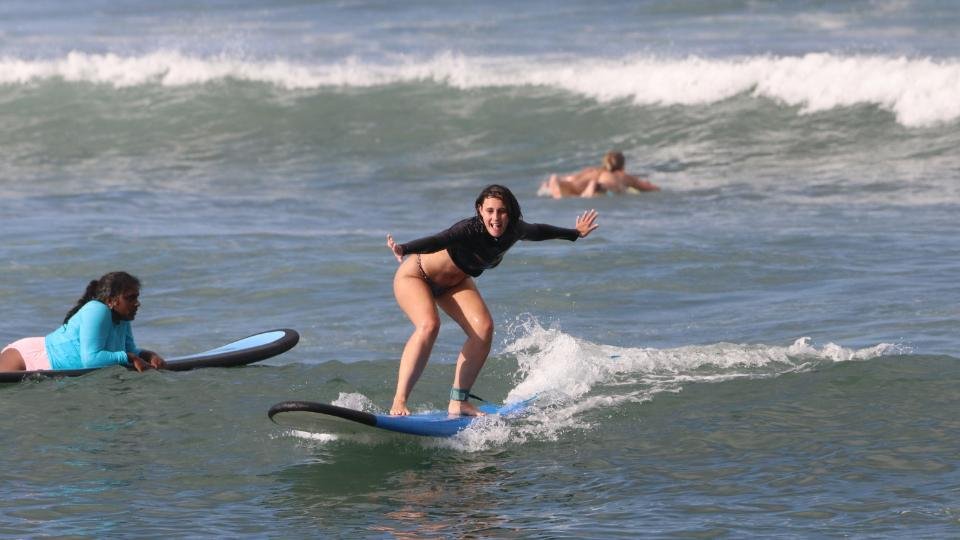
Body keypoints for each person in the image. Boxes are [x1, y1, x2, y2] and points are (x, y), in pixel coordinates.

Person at [385, 184, 599, 416]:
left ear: (510, 213)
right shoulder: (467, 230)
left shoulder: (515, 230)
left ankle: (459, 401)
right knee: (429, 325)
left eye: (501, 211)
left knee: (484, 329)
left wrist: (575, 233)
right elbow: (439, 240)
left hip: (453, 284)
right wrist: (404, 248)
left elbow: (539, 231)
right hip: (416, 275)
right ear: (480, 210)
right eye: (489, 211)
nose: (495, 218)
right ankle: (399, 401)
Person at [0, 271, 166, 373]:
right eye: (130, 298)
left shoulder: (123, 318)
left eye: (137, 297)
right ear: (111, 301)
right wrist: (130, 358)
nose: (137, 303)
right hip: (26, 358)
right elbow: (91, 359)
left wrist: (146, 355)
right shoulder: (97, 310)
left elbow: (128, 350)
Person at [540, 150, 659, 198]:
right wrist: (655, 187)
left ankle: (556, 183)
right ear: (622, 165)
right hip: (599, 186)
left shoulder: (593, 170)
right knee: (599, 187)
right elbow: (647, 187)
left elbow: (573, 177)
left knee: (569, 183)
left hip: (576, 185)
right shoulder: (622, 175)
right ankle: (591, 189)